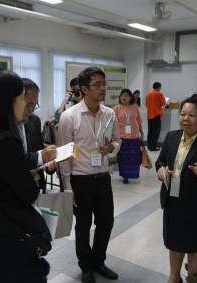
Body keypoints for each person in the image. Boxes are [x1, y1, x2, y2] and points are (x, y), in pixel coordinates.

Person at [0, 70, 52, 283]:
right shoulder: (5, 141)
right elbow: (28, 192)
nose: (25, 104)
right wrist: (28, 175)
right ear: (8, 101)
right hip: (11, 233)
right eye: (22, 98)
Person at [58, 67, 121, 283]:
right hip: (80, 180)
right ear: (84, 89)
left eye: (104, 84)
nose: (103, 88)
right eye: (97, 85)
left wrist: (111, 148)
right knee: (83, 225)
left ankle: (98, 261)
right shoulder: (69, 117)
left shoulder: (110, 114)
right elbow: (65, 153)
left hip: (103, 178)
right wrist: (68, 186)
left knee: (106, 222)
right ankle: (86, 266)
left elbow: (117, 140)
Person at [155, 96, 197, 283]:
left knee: (195, 245)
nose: (186, 118)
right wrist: (160, 169)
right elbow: (161, 160)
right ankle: (174, 276)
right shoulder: (171, 137)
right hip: (172, 200)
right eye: (183, 114)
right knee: (174, 242)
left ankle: (193, 277)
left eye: (192, 115)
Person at [21, 78, 57, 190]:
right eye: (28, 104)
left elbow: (38, 149)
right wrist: (42, 156)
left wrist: (49, 164)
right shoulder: (6, 127)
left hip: (37, 185)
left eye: (35, 105)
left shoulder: (34, 120)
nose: (32, 109)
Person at [113, 89, 144, 184]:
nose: (123, 97)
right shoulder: (116, 108)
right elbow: (112, 124)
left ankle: (132, 174)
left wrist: (142, 134)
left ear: (130, 97)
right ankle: (125, 176)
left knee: (134, 157)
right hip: (122, 137)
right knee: (123, 158)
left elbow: (138, 121)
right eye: (122, 95)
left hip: (134, 137)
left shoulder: (135, 107)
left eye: (126, 95)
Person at [145, 82, 166, 151]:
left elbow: (146, 104)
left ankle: (149, 146)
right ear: (158, 87)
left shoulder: (148, 94)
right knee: (155, 132)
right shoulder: (159, 94)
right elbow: (163, 103)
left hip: (149, 115)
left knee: (150, 132)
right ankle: (153, 147)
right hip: (156, 115)